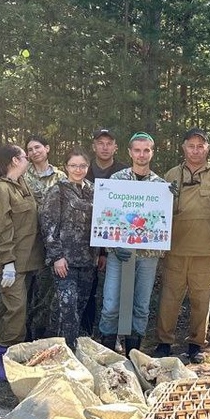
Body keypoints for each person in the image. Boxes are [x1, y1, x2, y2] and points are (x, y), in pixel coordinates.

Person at [155, 128, 210, 363]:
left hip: (205, 250)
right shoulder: (171, 175)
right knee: (169, 299)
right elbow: (158, 211)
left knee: (201, 299)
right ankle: (164, 343)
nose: (195, 150)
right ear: (183, 148)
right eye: (191, 145)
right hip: (175, 248)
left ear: (207, 148)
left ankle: (196, 344)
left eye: (200, 146)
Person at [99, 133, 170, 353]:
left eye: (146, 150)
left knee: (141, 306)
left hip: (148, 255)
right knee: (111, 304)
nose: (141, 155)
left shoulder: (160, 185)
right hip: (119, 252)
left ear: (152, 152)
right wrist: (112, 246)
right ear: (129, 152)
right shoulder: (116, 181)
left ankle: (132, 353)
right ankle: (108, 352)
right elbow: (105, 216)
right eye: (137, 150)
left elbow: (163, 222)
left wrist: (170, 200)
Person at [0, 144, 41, 379]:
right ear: (15, 160)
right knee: (16, 309)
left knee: (10, 307)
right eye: (25, 156)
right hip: (12, 262)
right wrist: (7, 262)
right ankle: (7, 364)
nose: (28, 159)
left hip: (25, 260)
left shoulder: (20, 185)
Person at [42, 149, 99, 352]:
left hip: (88, 261)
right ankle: (64, 351)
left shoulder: (94, 190)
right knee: (67, 307)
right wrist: (57, 256)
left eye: (82, 165)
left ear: (88, 167)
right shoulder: (57, 191)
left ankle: (65, 351)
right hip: (65, 261)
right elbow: (48, 226)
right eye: (73, 165)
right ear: (66, 167)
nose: (78, 169)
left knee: (79, 308)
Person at [23, 135, 66, 340]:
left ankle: (39, 333)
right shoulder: (22, 174)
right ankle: (22, 331)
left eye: (37, 147)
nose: (34, 152)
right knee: (25, 288)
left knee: (46, 288)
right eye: (29, 149)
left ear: (47, 148)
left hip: (51, 240)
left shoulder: (60, 176)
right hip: (28, 238)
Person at [82, 128, 125, 334]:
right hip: (84, 238)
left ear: (115, 147)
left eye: (109, 143)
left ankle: (112, 335)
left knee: (114, 292)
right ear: (94, 146)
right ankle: (86, 332)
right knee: (87, 289)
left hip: (115, 242)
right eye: (101, 143)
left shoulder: (125, 173)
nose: (105, 147)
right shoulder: (83, 169)